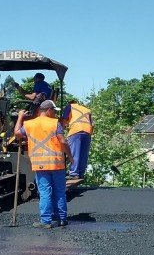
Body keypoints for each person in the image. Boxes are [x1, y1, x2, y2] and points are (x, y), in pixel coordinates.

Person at [14, 99, 74, 229]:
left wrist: (20, 117)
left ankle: (46, 221)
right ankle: (62, 219)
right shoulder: (54, 123)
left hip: (40, 164)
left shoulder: (29, 124)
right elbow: (63, 142)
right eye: (54, 111)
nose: (54, 114)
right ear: (48, 110)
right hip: (57, 163)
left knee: (45, 191)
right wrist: (70, 156)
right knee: (59, 191)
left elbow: (17, 134)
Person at [61, 98, 94, 180]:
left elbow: (64, 120)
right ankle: (81, 173)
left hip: (76, 130)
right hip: (87, 131)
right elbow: (92, 124)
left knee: (74, 152)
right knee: (83, 154)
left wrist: (60, 131)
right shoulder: (86, 109)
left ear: (70, 103)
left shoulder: (69, 107)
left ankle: (74, 173)